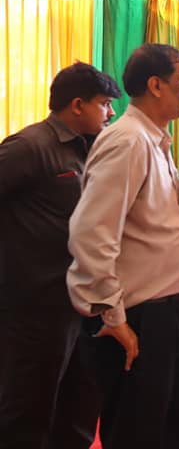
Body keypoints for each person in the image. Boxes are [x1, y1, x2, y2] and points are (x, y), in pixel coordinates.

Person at [66, 43, 179, 448]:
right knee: (138, 432)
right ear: (156, 86)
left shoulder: (152, 140)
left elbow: (142, 222)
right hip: (138, 317)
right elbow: (92, 234)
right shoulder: (127, 141)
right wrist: (113, 319)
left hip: (165, 313)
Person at [0, 62, 120, 449]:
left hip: (81, 302)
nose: (111, 112)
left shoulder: (92, 149)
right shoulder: (29, 146)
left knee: (82, 401)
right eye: (104, 104)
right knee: (30, 405)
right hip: (34, 306)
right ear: (78, 105)